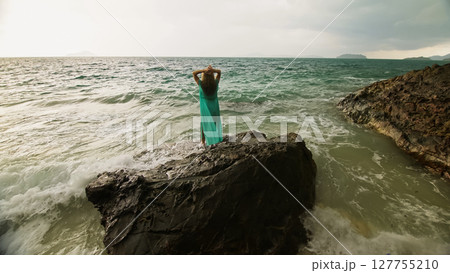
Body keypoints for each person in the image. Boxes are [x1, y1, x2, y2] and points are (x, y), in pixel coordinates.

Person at [193, 65, 223, 146]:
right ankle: (216, 140)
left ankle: (203, 142)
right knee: (215, 121)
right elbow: (219, 72)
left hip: (205, 107)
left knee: (204, 123)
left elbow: (194, 74)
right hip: (214, 106)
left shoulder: (201, 84)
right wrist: (213, 70)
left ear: (204, 75)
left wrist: (204, 70)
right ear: (212, 75)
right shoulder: (215, 83)